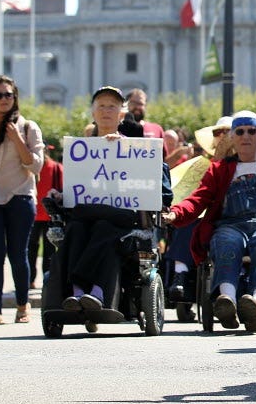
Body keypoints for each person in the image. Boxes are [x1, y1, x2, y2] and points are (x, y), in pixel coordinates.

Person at [162, 110, 256, 332]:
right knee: (225, 241)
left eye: (252, 131)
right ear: (232, 137)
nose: (246, 136)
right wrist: (176, 213)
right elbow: (198, 198)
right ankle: (228, 301)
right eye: (240, 131)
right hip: (230, 225)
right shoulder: (219, 169)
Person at [55, 85, 171, 312]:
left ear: (121, 113)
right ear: (93, 113)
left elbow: (155, 183)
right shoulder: (80, 151)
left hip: (121, 215)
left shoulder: (136, 149)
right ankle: (79, 293)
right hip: (87, 214)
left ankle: (96, 291)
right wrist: (60, 194)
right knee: (77, 229)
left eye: (112, 106)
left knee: (104, 228)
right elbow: (75, 185)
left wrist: (121, 149)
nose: (106, 110)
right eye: (101, 106)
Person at [0, 76, 44, 325]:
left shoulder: (28, 127)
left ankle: (22, 304)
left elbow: (36, 165)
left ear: (15, 97)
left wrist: (17, 140)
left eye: (8, 95)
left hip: (20, 196)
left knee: (18, 254)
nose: (3, 99)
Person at [166, 115, 235, 302]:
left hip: (236, 218)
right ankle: (180, 274)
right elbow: (189, 194)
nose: (224, 136)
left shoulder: (246, 164)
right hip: (204, 215)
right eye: (219, 133)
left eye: (229, 132)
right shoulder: (200, 165)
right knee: (187, 222)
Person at [28, 144, 64, 289]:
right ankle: (29, 280)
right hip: (32, 215)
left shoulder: (57, 168)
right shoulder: (29, 167)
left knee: (49, 251)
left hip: (50, 216)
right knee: (30, 250)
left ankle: (47, 281)